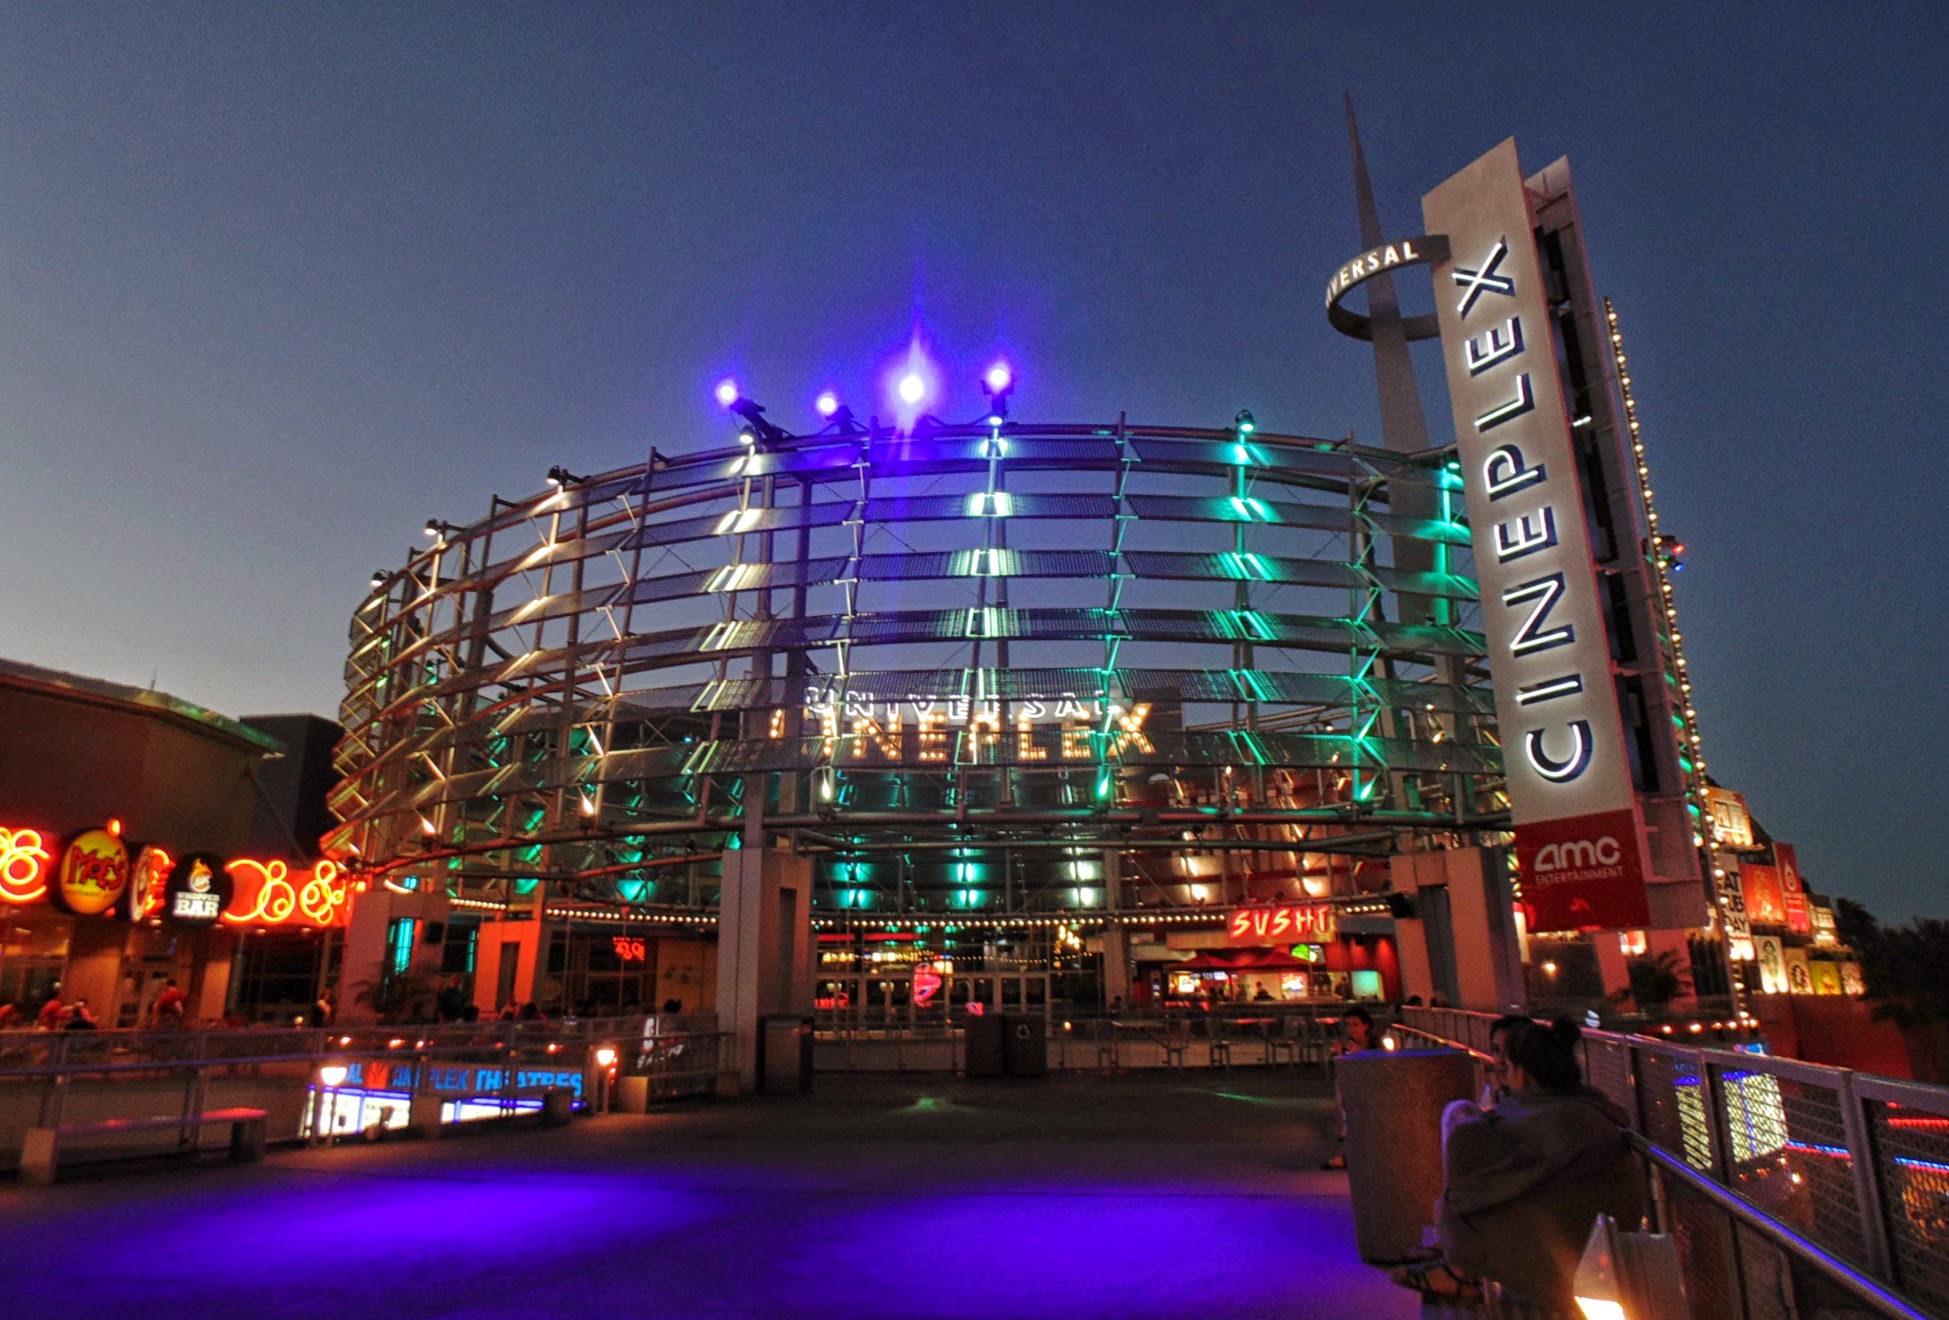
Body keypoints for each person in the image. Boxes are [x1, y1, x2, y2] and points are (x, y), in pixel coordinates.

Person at [1388, 1018, 1643, 1311]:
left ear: (1524, 1072)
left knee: (1465, 1144)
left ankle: (1460, 1270)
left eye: (1508, 1065)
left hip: (1582, 1248)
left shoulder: (1559, 1119)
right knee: (1466, 1139)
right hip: (1590, 1229)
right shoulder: (1574, 1108)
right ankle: (1458, 1260)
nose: (1502, 1069)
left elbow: (1517, 1174)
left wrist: (1452, 1207)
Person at [1320, 1007, 1375, 1170]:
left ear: (1365, 1026)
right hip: (1353, 1088)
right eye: (1348, 1025)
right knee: (1345, 1101)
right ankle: (1345, 1153)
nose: (1351, 1029)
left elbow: (1377, 1068)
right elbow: (1343, 1071)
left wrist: (1358, 1054)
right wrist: (1340, 1055)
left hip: (1372, 1088)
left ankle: (1345, 1155)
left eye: (1355, 1025)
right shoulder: (1348, 1045)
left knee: (1355, 1113)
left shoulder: (1374, 1045)